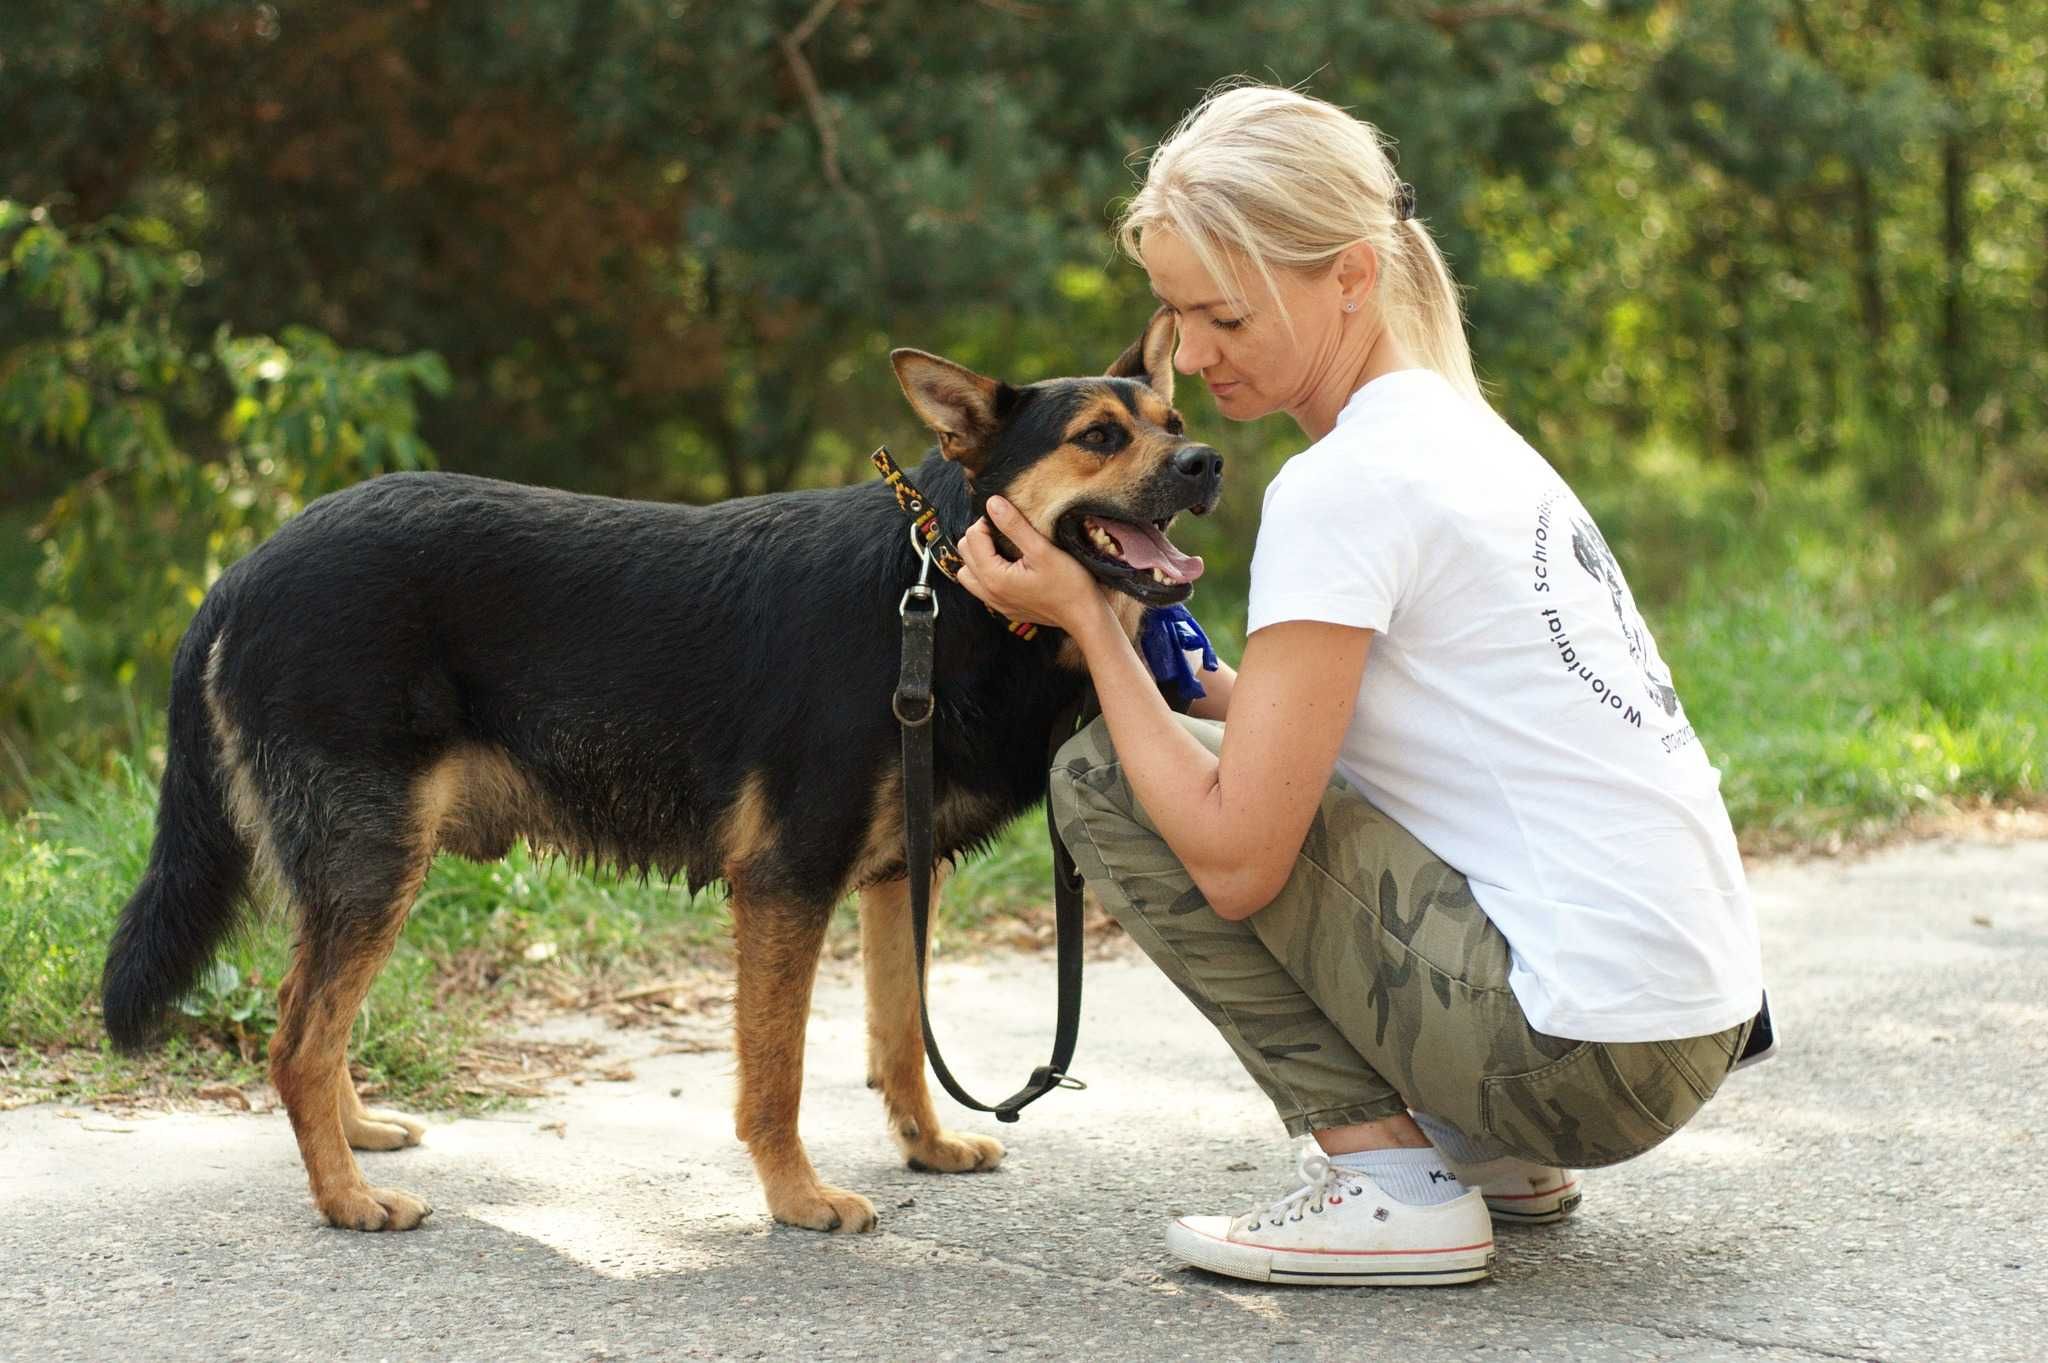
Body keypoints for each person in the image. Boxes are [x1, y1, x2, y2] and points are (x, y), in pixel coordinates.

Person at [953, 82, 1764, 1288]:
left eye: (1224, 313)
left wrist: (1084, 618)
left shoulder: (1343, 486)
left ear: (1347, 275)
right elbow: (1444, 718)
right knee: (1189, 740)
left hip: (1574, 1057)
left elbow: (1237, 860)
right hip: (1678, 1024)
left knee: (1106, 775)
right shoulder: (1465, 438)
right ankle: (1485, 1150)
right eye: (1174, 315)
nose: (1195, 355)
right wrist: (1215, 693)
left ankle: (1390, 1181)